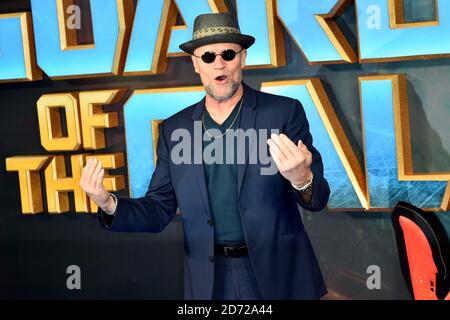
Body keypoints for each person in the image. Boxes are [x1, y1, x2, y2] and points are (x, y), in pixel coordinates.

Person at [80, 12, 330, 300]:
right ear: (196, 63)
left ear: (243, 58)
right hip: (210, 280)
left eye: (228, 53)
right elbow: (159, 209)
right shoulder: (175, 129)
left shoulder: (283, 112)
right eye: (208, 56)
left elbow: (318, 199)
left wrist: (302, 179)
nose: (219, 63)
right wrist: (107, 203)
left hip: (280, 274)